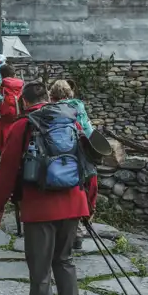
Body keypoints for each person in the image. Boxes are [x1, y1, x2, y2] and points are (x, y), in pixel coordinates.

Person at [0, 80, 95, 295]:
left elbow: (8, 169)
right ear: (48, 98)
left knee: (40, 275)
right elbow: (88, 164)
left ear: (24, 102)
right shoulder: (72, 120)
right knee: (65, 262)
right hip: (73, 203)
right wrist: (88, 204)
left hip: (39, 209)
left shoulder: (23, 126)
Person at [49, 79, 98, 250]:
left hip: (60, 157)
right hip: (82, 156)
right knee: (81, 192)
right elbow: (89, 131)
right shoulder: (79, 106)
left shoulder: (52, 109)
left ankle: (61, 232)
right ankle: (77, 234)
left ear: (53, 94)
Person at [0, 64, 24, 155]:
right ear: (14, 74)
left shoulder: (0, 87)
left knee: (4, 130)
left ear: (1, 74)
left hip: (6, 113)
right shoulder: (21, 85)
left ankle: (4, 151)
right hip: (19, 112)